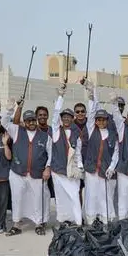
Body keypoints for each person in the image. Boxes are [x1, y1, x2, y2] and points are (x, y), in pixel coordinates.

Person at [2, 101, 52, 236]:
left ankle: (39, 223)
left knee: (39, 198)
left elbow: (50, 154)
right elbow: (4, 122)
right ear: (24, 121)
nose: (31, 123)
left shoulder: (45, 136)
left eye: (33, 120)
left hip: (37, 173)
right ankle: (16, 224)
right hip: (18, 172)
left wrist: (48, 168)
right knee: (17, 198)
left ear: (36, 120)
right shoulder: (17, 130)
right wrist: (11, 109)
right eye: (28, 120)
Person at [76, 82, 119, 225]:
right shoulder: (91, 129)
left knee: (104, 196)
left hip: (104, 171)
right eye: (98, 119)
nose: (100, 121)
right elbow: (92, 110)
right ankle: (90, 220)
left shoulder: (112, 135)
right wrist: (92, 94)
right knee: (90, 196)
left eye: (103, 119)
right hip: (90, 170)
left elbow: (116, 154)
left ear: (107, 121)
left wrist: (112, 168)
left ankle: (105, 219)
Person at [50, 81, 83, 226]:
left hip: (72, 173)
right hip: (58, 171)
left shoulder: (77, 133)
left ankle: (78, 221)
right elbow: (54, 116)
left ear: (72, 118)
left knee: (74, 196)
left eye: (69, 116)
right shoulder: (57, 131)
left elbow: (79, 153)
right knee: (61, 198)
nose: (66, 118)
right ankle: (64, 221)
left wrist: (80, 166)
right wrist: (60, 98)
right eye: (64, 117)